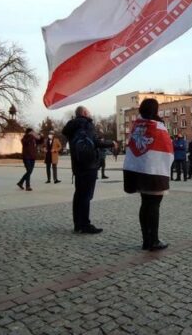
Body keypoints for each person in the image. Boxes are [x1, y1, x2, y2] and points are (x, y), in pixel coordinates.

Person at [123, 98, 172, 251]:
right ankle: (154, 240)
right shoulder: (158, 126)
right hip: (154, 172)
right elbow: (167, 149)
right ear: (155, 110)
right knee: (154, 205)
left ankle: (146, 239)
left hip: (139, 171)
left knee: (145, 204)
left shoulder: (136, 126)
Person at [63, 106, 113, 234]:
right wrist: (111, 143)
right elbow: (95, 142)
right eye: (89, 112)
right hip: (89, 164)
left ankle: (78, 224)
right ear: (84, 113)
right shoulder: (86, 124)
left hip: (77, 164)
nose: (91, 114)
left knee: (79, 194)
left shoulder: (71, 127)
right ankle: (85, 224)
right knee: (86, 195)